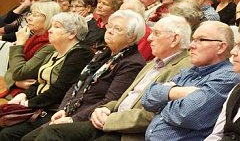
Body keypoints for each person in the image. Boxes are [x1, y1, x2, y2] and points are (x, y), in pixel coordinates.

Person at [22, 15, 192, 141]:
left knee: (51, 134)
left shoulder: (180, 67)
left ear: (174, 39)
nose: (149, 38)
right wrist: (102, 109)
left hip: (125, 129)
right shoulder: (112, 57)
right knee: (29, 137)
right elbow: (116, 96)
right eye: (109, 26)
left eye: (155, 33)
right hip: (103, 115)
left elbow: (154, 112)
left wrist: (106, 116)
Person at [140, 21, 240, 140]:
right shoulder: (190, 70)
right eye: (193, 39)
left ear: (221, 47)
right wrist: (176, 93)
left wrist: (163, 100)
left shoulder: (229, 77)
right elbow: (147, 99)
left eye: (201, 40)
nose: (191, 45)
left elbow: (185, 115)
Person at [1, 13, 95, 140]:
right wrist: (24, 95)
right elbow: (38, 82)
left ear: (72, 34)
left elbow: (61, 89)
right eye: (51, 26)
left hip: (54, 108)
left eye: (56, 27)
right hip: (40, 104)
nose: (50, 30)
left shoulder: (81, 53)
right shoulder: (54, 52)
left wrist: (29, 103)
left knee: (8, 134)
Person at [2, 2, 60, 101]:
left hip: (32, 97)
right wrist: (15, 82)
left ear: (49, 19)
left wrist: (19, 44)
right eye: (30, 14)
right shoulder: (32, 38)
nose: (28, 18)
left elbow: (19, 73)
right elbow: (9, 69)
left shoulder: (50, 45)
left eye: (35, 15)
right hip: (16, 90)